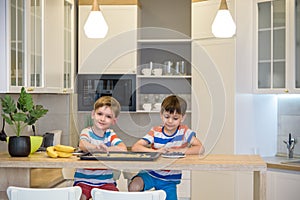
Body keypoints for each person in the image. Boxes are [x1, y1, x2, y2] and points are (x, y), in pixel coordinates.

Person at [128, 95, 204, 200]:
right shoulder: (155, 131)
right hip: (150, 173)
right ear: (161, 115)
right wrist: (156, 151)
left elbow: (200, 148)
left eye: (175, 118)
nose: (170, 121)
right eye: (167, 117)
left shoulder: (185, 131)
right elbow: (136, 147)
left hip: (169, 180)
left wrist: (179, 151)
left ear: (183, 117)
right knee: (134, 186)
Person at [74, 96, 127, 200]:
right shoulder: (87, 132)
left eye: (108, 116)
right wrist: (96, 147)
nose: (102, 119)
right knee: (80, 197)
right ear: (93, 114)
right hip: (83, 181)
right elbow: (82, 144)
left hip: (106, 182)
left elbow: (123, 148)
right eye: (100, 114)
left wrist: (107, 149)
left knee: (116, 197)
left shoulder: (110, 134)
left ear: (114, 120)